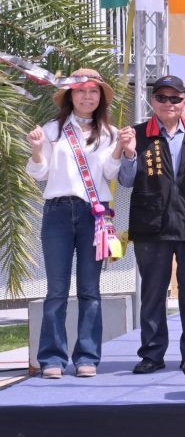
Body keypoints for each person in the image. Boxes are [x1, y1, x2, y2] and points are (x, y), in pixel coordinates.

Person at [112, 75, 185, 374]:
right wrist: (129, 153)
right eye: (162, 98)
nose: (169, 103)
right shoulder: (137, 134)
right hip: (151, 224)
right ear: (153, 101)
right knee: (153, 292)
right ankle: (152, 354)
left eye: (175, 98)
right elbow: (126, 181)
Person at [26, 68, 118, 379]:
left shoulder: (110, 133)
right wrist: (37, 149)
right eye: (80, 91)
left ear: (101, 97)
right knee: (56, 290)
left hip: (95, 215)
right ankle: (52, 358)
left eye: (93, 91)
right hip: (58, 213)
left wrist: (122, 148)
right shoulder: (52, 129)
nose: (87, 96)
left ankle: (87, 357)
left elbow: (110, 173)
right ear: (70, 95)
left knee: (90, 290)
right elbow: (39, 173)